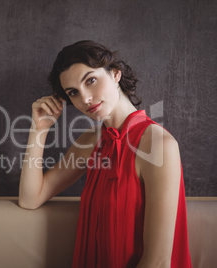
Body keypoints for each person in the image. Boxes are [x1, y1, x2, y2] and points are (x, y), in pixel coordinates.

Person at [18, 40, 192, 267]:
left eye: (90, 80)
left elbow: (158, 262)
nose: (85, 99)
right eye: (73, 93)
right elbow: (30, 199)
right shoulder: (91, 141)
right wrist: (39, 130)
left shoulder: (159, 145)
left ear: (115, 74)